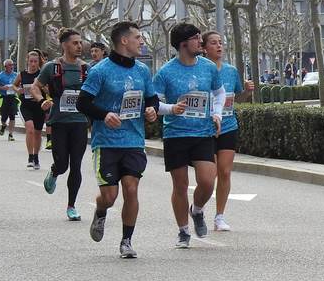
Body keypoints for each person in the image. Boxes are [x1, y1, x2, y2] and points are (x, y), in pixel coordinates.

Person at [76, 22, 161, 259]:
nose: (142, 41)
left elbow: (152, 99)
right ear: (124, 41)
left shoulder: (143, 71)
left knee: (131, 189)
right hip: (106, 143)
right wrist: (104, 114)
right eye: (138, 37)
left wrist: (152, 110)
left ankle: (126, 241)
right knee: (110, 197)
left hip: (134, 140)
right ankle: (101, 210)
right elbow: (82, 103)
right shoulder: (100, 70)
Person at [152, 23, 225, 249]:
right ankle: (183, 231)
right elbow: (154, 102)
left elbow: (219, 92)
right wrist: (171, 109)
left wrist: (216, 114)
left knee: (207, 181)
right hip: (176, 134)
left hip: (203, 132)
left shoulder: (208, 67)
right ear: (183, 44)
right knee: (180, 185)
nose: (200, 42)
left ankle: (198, 210)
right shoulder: (165, 72)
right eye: (196, 38)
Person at [34, 28, 90, 220]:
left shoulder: (86, 69)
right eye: (75, 43)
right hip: (59, 123)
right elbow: (35, 87)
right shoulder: (52, 67)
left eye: (80, 42)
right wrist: (42, 101)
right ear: (64, 45)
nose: (79, 46)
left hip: (79, 123)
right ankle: (54, 171)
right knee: (62, 164)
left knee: (76, 165)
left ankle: (71, 206)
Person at [201, 31, 252, 232]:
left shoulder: (231, 71)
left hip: (229, 125)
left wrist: (247, 92)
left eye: (221, 43)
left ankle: (219, 216)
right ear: (204, 48)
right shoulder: (201, 70)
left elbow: (237, 98)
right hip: (207, 128)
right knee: (210, 174)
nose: (219, 46)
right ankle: (198, 210)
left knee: (225, 171)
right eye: (214, 43)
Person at [15, 50, 46, 169]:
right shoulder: (22, 74)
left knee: (38, 133)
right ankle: (30, 157)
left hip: (38, 107)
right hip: (26, 106)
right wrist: (17, 89)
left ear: (39, 62)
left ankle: (36, 157)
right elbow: (14, 85)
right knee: (30, 129)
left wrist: (42, 90)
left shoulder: (42, 75)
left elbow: (48, 90)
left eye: (35, 61)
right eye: (31, 61)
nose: (33, 64)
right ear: (27, 61)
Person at [0, 59, 19, 140]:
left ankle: (10, 134)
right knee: (4, 117)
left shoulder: (16, 75)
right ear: (5, 67)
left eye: (12, 65)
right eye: (10, 65)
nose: (12, 67)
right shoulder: (0, 76)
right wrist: (2, 87)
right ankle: (3, 125)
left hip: (13, 97)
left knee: (12, 116)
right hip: (4, 97)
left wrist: (17, 88)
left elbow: (20, 85)